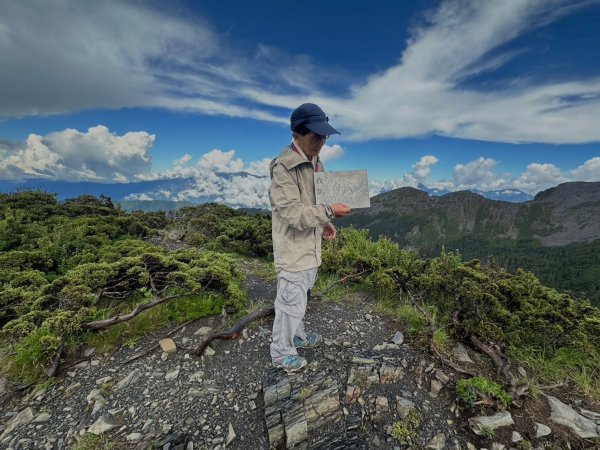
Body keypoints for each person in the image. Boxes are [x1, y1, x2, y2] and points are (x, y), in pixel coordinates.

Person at [269, 103, 351, 372]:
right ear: (297, 135)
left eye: (324, 137)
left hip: (310, 246)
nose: (321, 143)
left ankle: (297, 336)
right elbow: (292, 213)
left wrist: (325, 222)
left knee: (301, 296)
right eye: (316, 137)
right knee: (289, 302)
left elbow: (317, 202)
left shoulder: (317, 163)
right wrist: (329, 211)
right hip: (293, 249)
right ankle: (281, 353)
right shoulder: (284, 168)